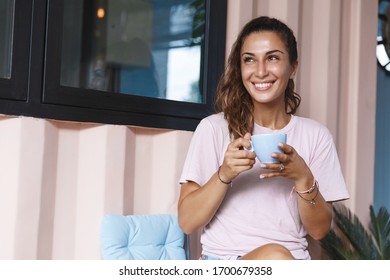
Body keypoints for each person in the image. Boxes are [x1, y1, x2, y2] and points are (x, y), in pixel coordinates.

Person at [177, 16, 350, 260]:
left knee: (280, 258)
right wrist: (224, 174)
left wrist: (303, 177)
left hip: (290, 264)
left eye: (273, 58)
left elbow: (320, 231)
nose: (260, 71)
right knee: (277, 257)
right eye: (250, 60)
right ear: (241, 68)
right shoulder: (214, 129)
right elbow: (187, 222)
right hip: (226, 264)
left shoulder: (316, 136)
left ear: (293, 67)